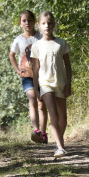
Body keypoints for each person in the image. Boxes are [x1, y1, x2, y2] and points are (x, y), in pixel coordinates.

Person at [31, 11, 72, 157]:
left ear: (54, 25)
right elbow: (35, 69)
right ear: (39, 26)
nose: (47, 26)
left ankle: (58, 141)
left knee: (63, 118)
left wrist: (69, 84)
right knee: (53, 115)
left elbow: (67, 65)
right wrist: (36, 88)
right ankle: (60, 147)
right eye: (43, 23)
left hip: (60, 83)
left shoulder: (61, 43)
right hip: (45, 84)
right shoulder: (36, 46)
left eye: (49, 23)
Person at [9, 10, 48, 144]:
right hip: (27, 76)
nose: (27, 23)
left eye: (30, 20)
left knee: (41, 104)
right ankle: (36, 130)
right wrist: (17, 70)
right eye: (24, 21)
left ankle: (43, 133)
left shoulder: (40, 36)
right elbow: (11, 55)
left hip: (42, 75)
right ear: (20, 23)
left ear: (34, 22)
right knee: (32, 99)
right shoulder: (18, 40)